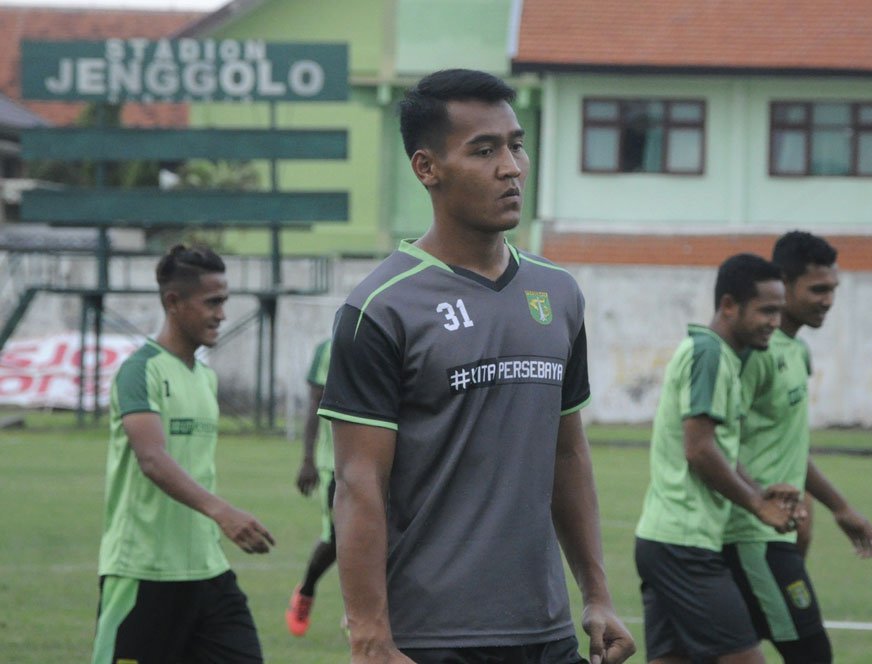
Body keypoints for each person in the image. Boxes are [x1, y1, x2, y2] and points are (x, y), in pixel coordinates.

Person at [318, 69, 636, 664]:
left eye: (516, 144)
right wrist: (369, 635)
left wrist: (596, 594)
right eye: (484, 150)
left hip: (545, 633)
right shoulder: (381, 307)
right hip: (432, 639)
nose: (511, 167)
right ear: (426, 168)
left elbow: (567, 453)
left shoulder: (559, 293)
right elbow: (359, 482)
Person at [91, 244, 275, 664]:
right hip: (144, 570)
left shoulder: (204, 377)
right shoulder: (141, 372)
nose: (222, 314)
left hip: (207, 572)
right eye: (212, 302)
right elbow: (152, 459)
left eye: (225, 301)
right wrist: (222, 512)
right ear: (173, 302)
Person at [635, 253, 802, 664]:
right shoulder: (708, 354)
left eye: (780, 312)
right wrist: (757, 505)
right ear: (729, 305)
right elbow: (700, 450)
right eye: (767, 310)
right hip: (683, 544)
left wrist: (759, 490)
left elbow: (718, 448)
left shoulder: (723, 357)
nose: (775, 322)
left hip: (668, 539)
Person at [722, 231, 872, 663]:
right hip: (751, 533)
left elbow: (792, 446)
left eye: (833, 289)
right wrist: (758, 500)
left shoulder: (798, 353)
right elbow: (717, 444)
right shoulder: (755, 355)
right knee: (812, 654)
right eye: (818, 289)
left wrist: (839, 507)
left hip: (779, 531)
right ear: (784, 285)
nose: (828, 299)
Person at [285, 336, 339, 636]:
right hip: (336, 464)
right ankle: (306, 591)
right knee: (338, 538)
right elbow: (315, 403)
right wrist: (307, 459)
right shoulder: (329, 348)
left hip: (389, 461)